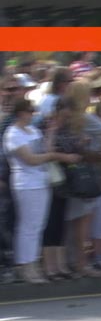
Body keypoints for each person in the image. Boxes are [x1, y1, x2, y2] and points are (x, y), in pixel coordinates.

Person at [3, 99, 80, 283]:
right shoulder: (13, 133)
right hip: (26, 183)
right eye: (30, 110)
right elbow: (30, 159)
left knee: (38, 226)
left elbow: (45, 149)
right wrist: (57, 156)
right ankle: (25, 265)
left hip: (41, 181)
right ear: (21, 112)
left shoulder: (33, 130)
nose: (33, 114)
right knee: (28, 226)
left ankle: (32, 263)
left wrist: (52, 132)